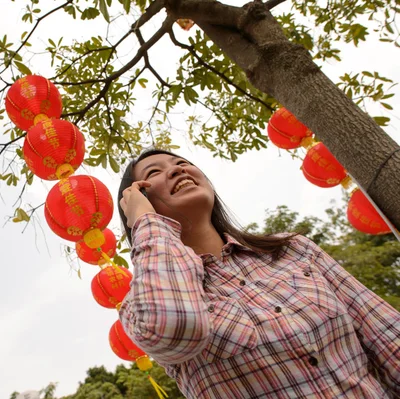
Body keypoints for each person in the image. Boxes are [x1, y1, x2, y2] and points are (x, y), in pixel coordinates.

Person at [117, 148, 400, 399]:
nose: (177, 168)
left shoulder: (292, 249)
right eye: (155, 172)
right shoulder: (138, 307)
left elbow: (388, 336)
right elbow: (172, 328)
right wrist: (146, 221)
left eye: (181, 162)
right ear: (138, 199)